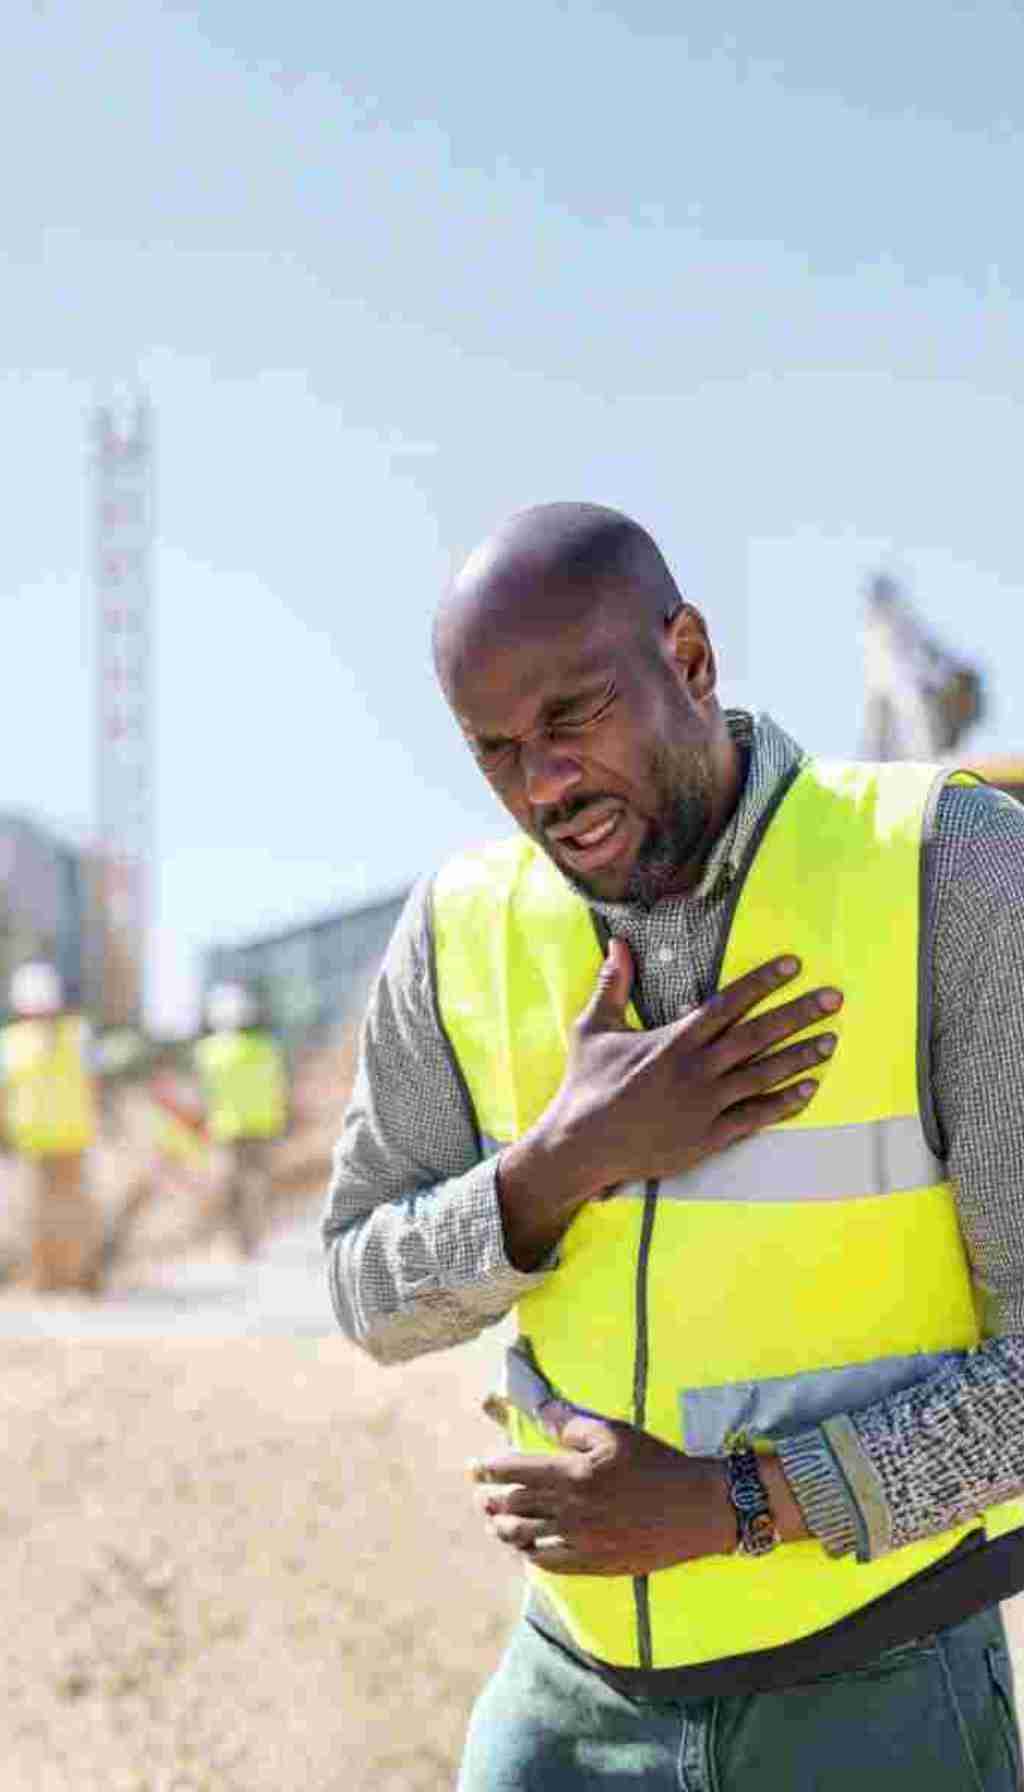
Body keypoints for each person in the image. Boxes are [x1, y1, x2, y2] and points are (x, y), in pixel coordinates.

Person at [322, 503, 1024, 1789]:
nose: (543, 786)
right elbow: (368, 1297)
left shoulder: (950, 871)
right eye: (496, 750)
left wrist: (736, 1505)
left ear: (690, 658)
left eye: (572, 718)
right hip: (569, 1702)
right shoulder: (461, 929)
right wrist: (556, 1169)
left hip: (879, 1694)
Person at [1, 960, 101, 1292]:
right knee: (72, 1210)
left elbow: (3, 1093)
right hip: (73, 1134)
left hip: (34, 1138)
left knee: (40, 1212)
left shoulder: (11, 1041)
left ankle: (48, 1279)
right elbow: (93, 1083)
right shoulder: (78, 1033)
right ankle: (78, 1276)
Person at [194, 982, 288, 1258]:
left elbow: (203, 1092)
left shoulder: (208, 1052)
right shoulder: (267, 1048)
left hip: (226, 1128)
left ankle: (237, 1240)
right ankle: (255, 1236)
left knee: (231, 1185)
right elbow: (279, 1086)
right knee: (257, 1184)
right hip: (264, 1126)